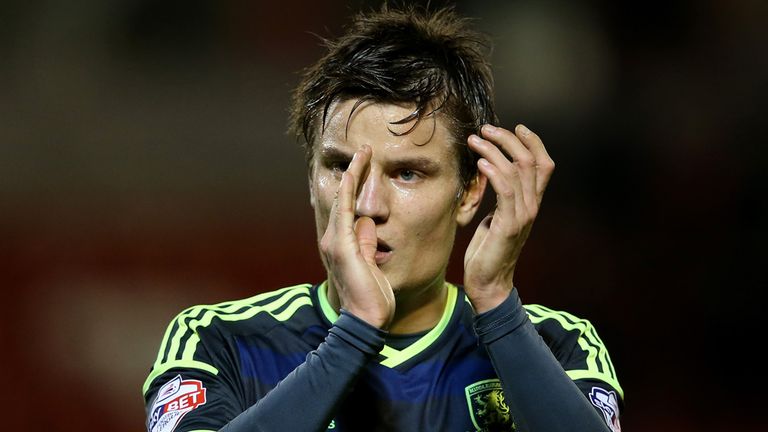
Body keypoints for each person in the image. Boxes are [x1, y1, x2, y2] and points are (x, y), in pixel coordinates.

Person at [143, 4, 623, 432]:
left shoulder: (558, 344)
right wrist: (355, 332)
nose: (369, 204)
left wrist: (497, 307)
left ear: (470, 193)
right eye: (341, 167)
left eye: (407, 173)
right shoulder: (218, 341)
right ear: (311, 180)